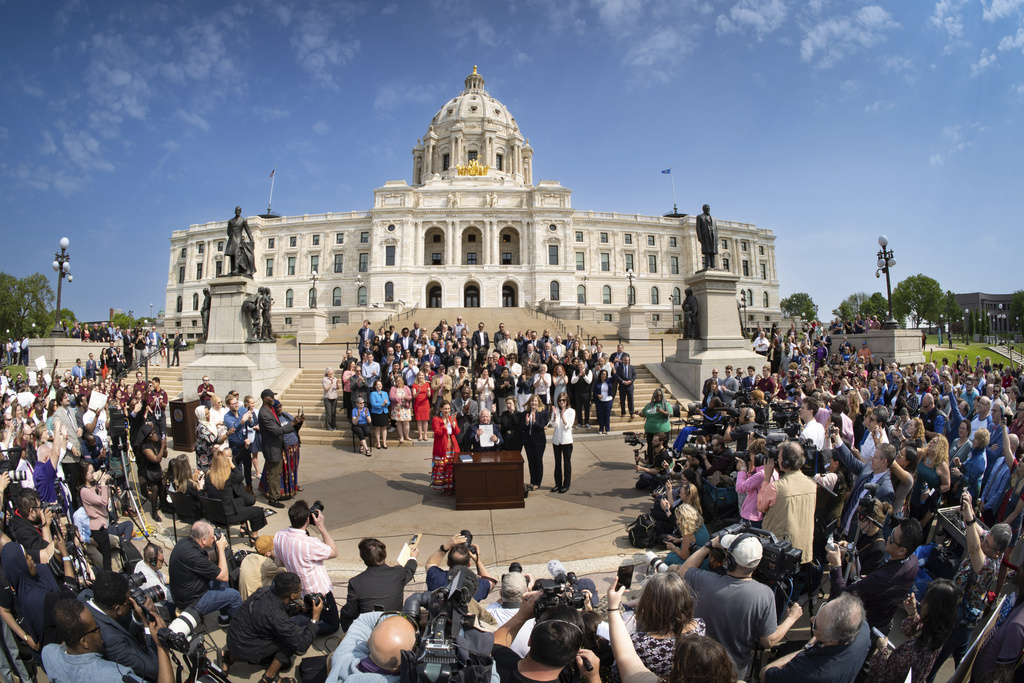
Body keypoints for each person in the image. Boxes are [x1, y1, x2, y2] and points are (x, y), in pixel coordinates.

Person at [681, 531, 802, 676]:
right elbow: (768, 641)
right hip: (732, 669)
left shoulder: (705, 581)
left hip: (697, 661)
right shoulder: (763, 594)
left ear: (729, 561)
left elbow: (684, 570)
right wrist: (792, 618)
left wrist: (710, 545)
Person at [928, 492, 1012, 681]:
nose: (982, 544)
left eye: (987, 545)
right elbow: (979, 531)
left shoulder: (988, 566)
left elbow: (973, 548)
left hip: (959, 620)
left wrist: (969, 520)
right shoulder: (990, 544)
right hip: (966, 619)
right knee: (961, 656)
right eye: (985, 539)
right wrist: (969, 508)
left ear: (998, 553)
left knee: (934, 663)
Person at [825, 516, 923, 631]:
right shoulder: (913, 560)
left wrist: (836, 565)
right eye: (892, 532)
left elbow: (841, 596)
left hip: (867, 627)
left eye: (892, 538)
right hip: (884, 619)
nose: (888, 537)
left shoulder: (882, 579)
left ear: (902, 550)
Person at [42, 598, 173, 683]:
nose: (101, 632)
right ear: (84, 642)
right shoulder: (115, 677)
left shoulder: (48, 653)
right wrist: (161, 645)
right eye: (96, 628)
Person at [224, 572, 321, 683]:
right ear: (292, 596)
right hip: (245, 646)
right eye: (300, 590)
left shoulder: (265, 591)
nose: (301, 591)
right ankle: (269, 677)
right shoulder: (276, 615)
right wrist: (315, 618)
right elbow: (302, 644)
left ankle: (228, 657)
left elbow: (275, 610)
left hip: (234, 637)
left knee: (285, 661)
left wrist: (296, 608)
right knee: (293, 638)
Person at [608, 572, 705, 683]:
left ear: (648, 606)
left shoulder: (639, 642)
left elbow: (619, 673)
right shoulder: (700, 626)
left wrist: (613, 608)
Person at [759, 593, 870, 683]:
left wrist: (803, 651)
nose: (812, 618)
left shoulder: (809, 672)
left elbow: (765, 673)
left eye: (815, 625)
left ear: (831, 641)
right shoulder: (863, 629)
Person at [866, 580, 958, 683]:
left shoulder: (910, 652)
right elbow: (912, 630)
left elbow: (884, 677)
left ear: (934, 609)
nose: (922, 602)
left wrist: (882, 650)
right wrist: (912, 613)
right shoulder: (938, 635)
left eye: (926, 601)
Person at [78, 570, 163, 682]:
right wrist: (147, 624)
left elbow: (116, 624)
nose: (132, 602)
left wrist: (137, 618)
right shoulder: (111, 642)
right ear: (117, 609)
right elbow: (155, 671)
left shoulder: (85, 596)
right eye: (129, 601)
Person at [274, 499, 340, 635]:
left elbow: (278, 563)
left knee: (310, 614)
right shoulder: (310, 543)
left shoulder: (279, 536)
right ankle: (300, 633)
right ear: (307, 521)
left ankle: (291, 626)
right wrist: (321, 527)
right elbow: (334, 551)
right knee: (333, 625)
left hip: (300, 591)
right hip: (319, 593)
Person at [167, 520, 241, 622]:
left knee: (221, 583)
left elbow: (207, 558)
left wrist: (218, 548)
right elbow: (224, 576)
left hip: (184, 592)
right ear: (203, 540)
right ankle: (240, 630)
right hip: (192, 602)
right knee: (234, 596)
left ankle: (225, 618)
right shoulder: (195, 556)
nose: (213, 539)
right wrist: (221, 549)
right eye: (212, 537)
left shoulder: (185, 543)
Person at [339, 538, 418, 631]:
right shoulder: (398, 572)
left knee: (345, 615)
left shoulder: (356, 582)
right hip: (394, 622)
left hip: (370, 626)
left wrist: (343, 611)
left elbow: (350, 612)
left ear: (363, 557)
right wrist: (413, 557)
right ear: (385, 554)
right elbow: (410, 570)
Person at [761, 441, 817, 566]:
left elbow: (761, 507)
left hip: (780, 551)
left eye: (779, 458)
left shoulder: (776, 487)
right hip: (804, 549)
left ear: (786, 462)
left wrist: (766, 478)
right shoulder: (812, 484)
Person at [323, 612, 418, 683]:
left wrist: (403, 619)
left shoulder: (343, 658)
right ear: (409, 657)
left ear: (368, 642)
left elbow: (363, 620)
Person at [77, 461, 133, 571]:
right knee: (106, 558)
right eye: (91, 472)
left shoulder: (93, 487)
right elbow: (102, 501)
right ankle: (109, 577)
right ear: (84, 474)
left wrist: (109, 489)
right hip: (97, 528)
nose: (93, 475)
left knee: (108, 552)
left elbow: (105, 500)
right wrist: (102, 483)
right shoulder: (84, 491)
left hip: (103, 525)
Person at [203, 450, 267, 544]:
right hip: (229, 515)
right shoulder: (228, 476)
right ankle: (254, 537)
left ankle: (243, 526)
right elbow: (240, 477)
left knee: (241, 501)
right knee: (257, 511)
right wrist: (231, 464)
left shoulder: (208, 477)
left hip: (215, 514)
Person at [258, 389, 304, 509]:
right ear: (264, 399)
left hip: (277, 447)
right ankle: (273, 499)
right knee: (273, 474)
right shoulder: (264, 413)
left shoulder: (271, 410)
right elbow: (277, 430)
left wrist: (297, 423)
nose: (273, 398)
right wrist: (292, 423)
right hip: (272, 448)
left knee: (278, 473)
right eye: (271, 397)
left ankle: (277, 494)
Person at [424, 533, 497, 604]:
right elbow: (491, 582)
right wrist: (477, 560)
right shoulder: (476, 584)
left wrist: (445, 547)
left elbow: (430, 563)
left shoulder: (436, 576)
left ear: (448, 563)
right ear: (469, 564)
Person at [239, 535, 289, 601]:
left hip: (245, 599)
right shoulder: (266, 563)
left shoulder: (248, 557)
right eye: (275, 549)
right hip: (256, 601)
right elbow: (287, 571)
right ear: (267, 553)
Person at [430, 401, 461, 494]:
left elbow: (457, 432)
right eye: (445, 409)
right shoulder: (436, 419)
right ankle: (444, 487)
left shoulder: (452, 418)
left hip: (452, 446)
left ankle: (451, 486)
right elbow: (437, 433)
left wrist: (454, 425)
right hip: (441, 446)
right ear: (441, 409)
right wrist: (445, 425)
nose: (447, 411)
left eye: (448, 409)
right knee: (443, 467)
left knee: (451, 467)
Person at [521, 394, 550, 492]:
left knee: (538, 461)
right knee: (531, 462)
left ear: (539, 402)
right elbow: (522, 428)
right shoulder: (525, 413)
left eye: (536, 401)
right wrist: (526, 422)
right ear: (529, 402)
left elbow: (542, 427)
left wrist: (534, 422)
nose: (534, 403)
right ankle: (532, 481)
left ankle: (538, 482)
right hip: (528, 442)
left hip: (539, 441)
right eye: (532, 401)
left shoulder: (543, 412)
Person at [551, 392, 575, 493]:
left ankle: (566, 484)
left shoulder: (571, 411)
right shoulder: (555, 410)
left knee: (567, 463)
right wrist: (556, 415)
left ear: (567, 401)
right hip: (557, 440)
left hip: (566, 441)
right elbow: (554, 425)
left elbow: (569, 426)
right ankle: (558, 484)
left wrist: (563, 416)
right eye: (560, 400)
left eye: (563, 400)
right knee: (557, 463)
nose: (562, 402)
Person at [641, 389, 671, 455]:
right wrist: (638, 413)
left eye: (661, 395)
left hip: (662, 431)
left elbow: (670, 414)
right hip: (650, 431)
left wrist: (661, 411)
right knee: (650, 447)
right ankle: (651, 462)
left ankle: (663, 462)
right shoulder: (649, 405)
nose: (659, 397)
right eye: (657, 395)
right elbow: (644, 413)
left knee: (663, 448)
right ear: (654, 396)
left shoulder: (665, 404)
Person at [369, 379, 391, 450]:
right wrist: (382, 404)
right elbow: (373, 404)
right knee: (377, 428)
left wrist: (386, 403)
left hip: (384, 412)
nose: (380, 385)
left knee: (384, 428)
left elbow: (388, 402)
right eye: (378, 384)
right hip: (377, 412)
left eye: (380, 384)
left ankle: (384, 442)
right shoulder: (373, 394)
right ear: (375, 386)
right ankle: (378, 443)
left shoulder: (385, 393)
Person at [593, 369, 616, 434]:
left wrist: (613, 369)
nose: (603, 376)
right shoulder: (597, 382)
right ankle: (601, 429)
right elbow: (594, 392)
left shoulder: (609, 381)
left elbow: (614, 377)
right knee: (600, 415)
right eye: (602, 374)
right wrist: (597, 395)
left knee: (607, 415)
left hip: (608, 400)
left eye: (604, 374)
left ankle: (607, 429)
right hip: (600, 401)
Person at [695, 204, 718, 269]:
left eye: (708, 208)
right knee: (707, 251)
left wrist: (717, 240)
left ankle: (713, 265)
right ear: (703, 209)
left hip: (713, 236)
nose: (708, 209)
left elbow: (716, 229)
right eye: (706, 208)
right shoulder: (700, 217)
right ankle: (707, 265)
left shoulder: (713, 218)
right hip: (705, 236)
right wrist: (700, 238)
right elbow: (698, 228)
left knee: (713, 251)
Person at [411, 371, 432, 441]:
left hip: (425, 404)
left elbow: (429, 395)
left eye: (422, 375)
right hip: (418, 404)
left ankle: (425, 435)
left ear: (424, 376)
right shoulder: (414, 384)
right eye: (419, 375)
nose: (421, 377)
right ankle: (420, 435)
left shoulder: (426, 384)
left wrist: (429, 393)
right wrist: (418, 392)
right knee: (419, 420)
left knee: (425, 420)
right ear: (417, 376)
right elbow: (414, 395)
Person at [615, 353, 637, 420]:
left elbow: (634, 375)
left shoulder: (631, 367)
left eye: (628, 360)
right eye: (625, 360)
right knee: (622, 400)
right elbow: (617, 376)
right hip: (622, 386)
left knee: (630, 400)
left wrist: (631, 381)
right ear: (622, 360)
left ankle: (632, 412)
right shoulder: (619, 368)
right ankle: (623, 412)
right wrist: (623, 381)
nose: (627, 361)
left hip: (630, 386)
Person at [323, 367, 339, 432]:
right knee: (328, 413)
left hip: (334, 397)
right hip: (328, 397)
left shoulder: (334, 379)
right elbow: (326, 389)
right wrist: (331, 383)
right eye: (329, 372)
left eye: (331, 372)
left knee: (333, 412)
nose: (331, 373)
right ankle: (328, 425)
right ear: (327, 373)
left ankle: (333, 425)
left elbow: (338, 388)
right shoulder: (325, 379)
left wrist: (337, 383)